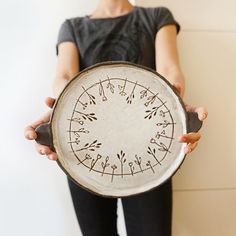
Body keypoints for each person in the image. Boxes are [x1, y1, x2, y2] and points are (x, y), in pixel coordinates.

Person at [25, 0, 208, 235]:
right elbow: (64, 77)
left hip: (151, 156)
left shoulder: (157, 16)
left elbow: (169, 72)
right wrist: (62, 111)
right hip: (82, 156)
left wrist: (177, 108)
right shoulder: (72, 26)